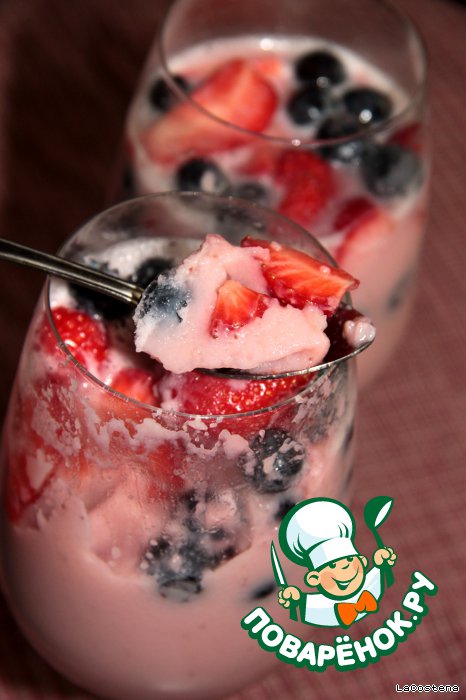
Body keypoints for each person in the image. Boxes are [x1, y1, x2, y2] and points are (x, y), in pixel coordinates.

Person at [277, 498, 396, 627]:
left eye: (349, 560)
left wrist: (382, 562)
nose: (344, 569)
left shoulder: (371, 585)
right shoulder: (317, 606)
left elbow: (380, 575)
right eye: (333, 565)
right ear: (314, 578)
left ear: (362, 561)